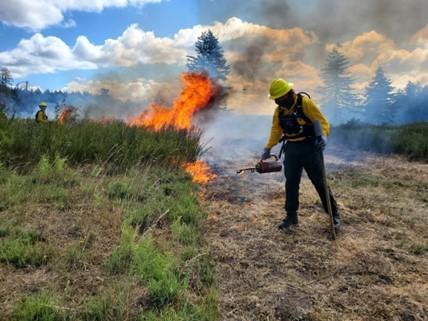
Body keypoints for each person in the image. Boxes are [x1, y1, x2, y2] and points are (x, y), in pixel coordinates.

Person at [261, 79, 341, 231]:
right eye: (275, 99)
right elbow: (276, 130)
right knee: (291, 183)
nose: (277, 102)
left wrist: (323, 136)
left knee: (319, 182)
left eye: (279, 98)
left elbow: (321, 122)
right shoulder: (280, 111)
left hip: (310, 147)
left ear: (288, 94)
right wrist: (268, 148)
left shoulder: (305, 103)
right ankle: (291, 217)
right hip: (291, 149)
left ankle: (334, 215)